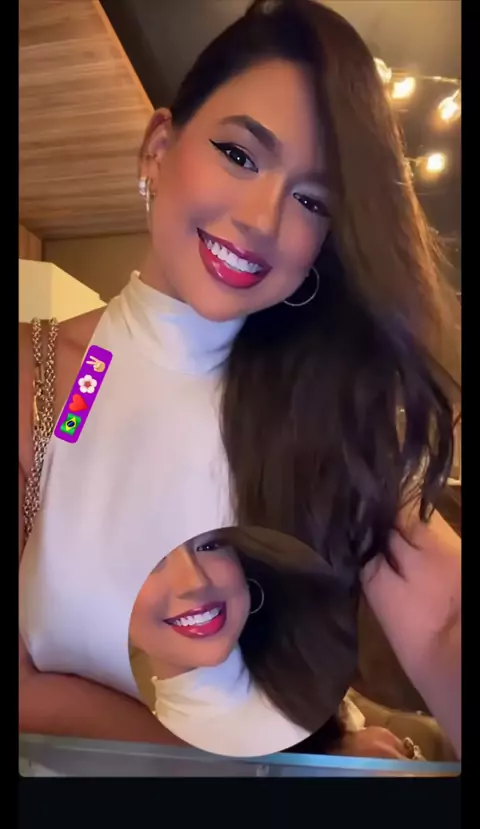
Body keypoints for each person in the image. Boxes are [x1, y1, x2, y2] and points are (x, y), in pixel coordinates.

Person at [19, 0, 461, 758]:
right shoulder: (42, 375)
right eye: (240, 154)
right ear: (160, 147)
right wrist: (268, 768)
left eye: (312, 199)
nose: (263, 217)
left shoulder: (327, 406)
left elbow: (445, 620)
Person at [129, 527, 357, 755]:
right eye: (150, 560)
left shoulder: (312, 666)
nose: (195, 582)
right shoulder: (148, 751)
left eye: (209, 546)